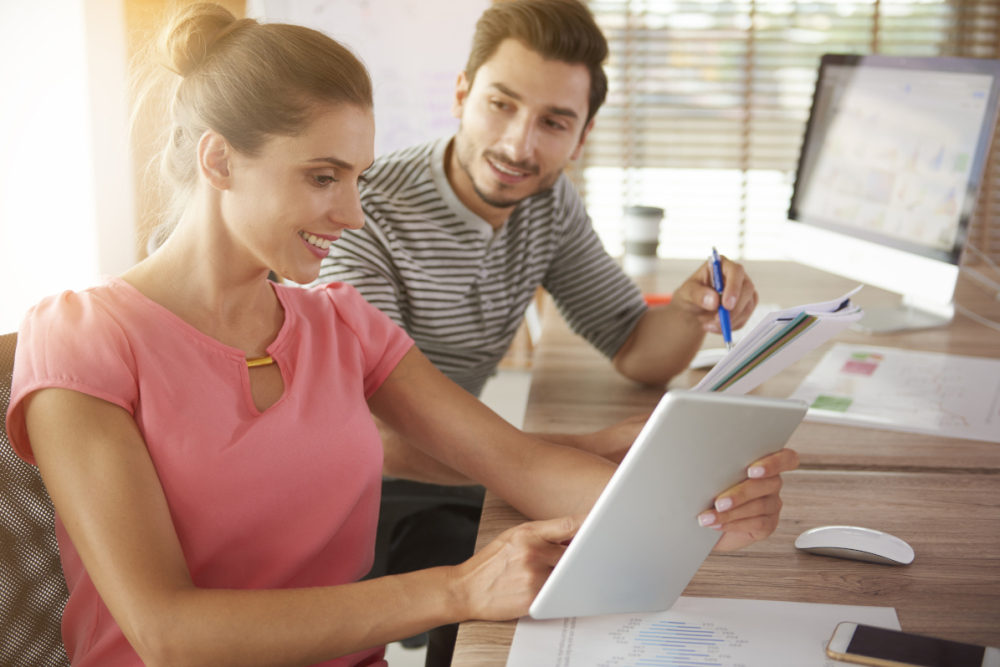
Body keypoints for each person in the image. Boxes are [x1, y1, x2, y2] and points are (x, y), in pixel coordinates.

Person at [4, 5, 798, 667]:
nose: (352, 213)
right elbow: (168, 632)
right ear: (218, 160)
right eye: (324, 176)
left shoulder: (341, 321)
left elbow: (515, 462)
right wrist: (458, 587)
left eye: (357, 176)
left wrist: (704, 511)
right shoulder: (82, 337)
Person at [315, 2, 762, 662]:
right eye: (501, 104)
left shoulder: (547, 202)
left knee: (609, 571)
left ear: (580, 137)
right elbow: (373, 440)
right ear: (463, 93)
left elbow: (638, 349)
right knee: (554, 573)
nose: (520, 144)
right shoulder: (364, 214)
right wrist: (584, 446)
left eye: (554, 122)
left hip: (457, 465)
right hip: (355, 494)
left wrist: (693, 309)